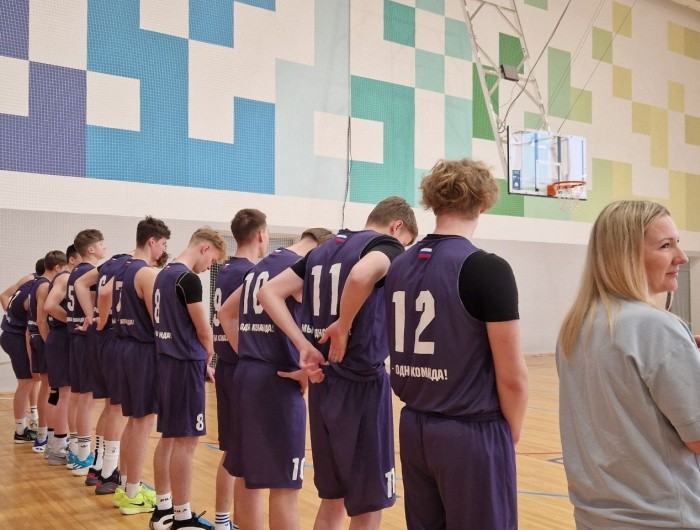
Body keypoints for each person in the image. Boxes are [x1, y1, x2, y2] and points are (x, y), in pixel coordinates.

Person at [384, 159, 528, 530]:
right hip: (471, 430)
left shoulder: (398, 265)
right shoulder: (486, 268)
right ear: (484, 204)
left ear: (432, 202)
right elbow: (512, 375)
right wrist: (508, 434)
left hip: (414, 426)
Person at [258, 196, 417, 530]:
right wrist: (343, 327)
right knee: (369, 505)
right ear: (397, 226)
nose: (403, 251)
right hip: (361, 384)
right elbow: (360, 275)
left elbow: (268, 292)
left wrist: (303, 345)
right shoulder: (386, 246)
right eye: (406, 243)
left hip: (323, 381)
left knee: (333, 499)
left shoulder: (323, 249)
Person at [556, 200, 700, 529]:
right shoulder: (657, 327)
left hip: (594, 518)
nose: (681, 257)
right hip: (662, 518)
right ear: (627, 256)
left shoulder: (577, 326)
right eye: (666, 246)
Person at [220, 227, 332, 530]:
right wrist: (301, 361)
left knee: (247, 477)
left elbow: (225, 313)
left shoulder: (262, 266)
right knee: (285, 483)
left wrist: (250, 353)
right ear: (320, 249)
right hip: (276, 380)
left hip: (247, 374)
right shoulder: (300, 270)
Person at [153, 227, 227, 530]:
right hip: (185, 365)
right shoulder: (187, 279)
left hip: (166, 362)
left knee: (169, 438)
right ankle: (182, 517)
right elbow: (204, 329)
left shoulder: (162, 274)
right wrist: (208, 357)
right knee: (186, 442)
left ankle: (163, 510)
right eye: (212, 261)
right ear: (205, 248)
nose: (209, 268)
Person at [108, 217, 170, 522]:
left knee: (133, 421)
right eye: (163, 244)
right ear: (151, 241)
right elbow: (159, 320)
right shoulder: (146, 273)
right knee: (142, 423)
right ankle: (133, 493)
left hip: (122, 346)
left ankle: (125, 486)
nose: (163, 250)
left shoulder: (120, 269)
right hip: (143, 350)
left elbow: (104, 298)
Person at [211, 209, 269, 530]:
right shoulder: (252, 273)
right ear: (261, 234)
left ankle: (223, 520)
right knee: (248, 458)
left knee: (233, 452)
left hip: (225, 367)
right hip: (241, 370)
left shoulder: (224, 270)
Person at [64, 229, 107, 475]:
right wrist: (93, 317)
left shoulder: (74, 272)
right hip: (84, 336)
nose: (104, 248)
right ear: (91, 249)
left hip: (74, 336)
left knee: (78, 396)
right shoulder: (89, 273)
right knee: (86, 399)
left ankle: (75, 451)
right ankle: (83, 456)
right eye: (101, 244)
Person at [26, 251, 68, 453]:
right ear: (58, 267)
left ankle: (46, 436)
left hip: (39, 338)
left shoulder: (36, 283)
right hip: (44, 339)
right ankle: (43, 437)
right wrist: (51, 343)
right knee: (50, 389)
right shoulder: (44, 286)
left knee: (50, 389)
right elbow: (42, 320)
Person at [44, 244, 82, 465]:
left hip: (58, 338)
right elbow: (49, 306)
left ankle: (53, 444)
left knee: (58, 393)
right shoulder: (66, 277)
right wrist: (70, 320)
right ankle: (59, 448)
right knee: (65, 394)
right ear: (72, 260)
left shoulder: (63, 278)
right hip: (61, 338)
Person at [0, 259, 45, 443]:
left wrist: (12, 318)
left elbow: (4, 296)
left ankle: (33, 416)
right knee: (27, 382)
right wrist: (15, 321)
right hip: (17, 337)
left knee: (33, 380)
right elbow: (29, 330)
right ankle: (20, 430)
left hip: (11, 334)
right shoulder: (38, 289)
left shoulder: (29, 279)